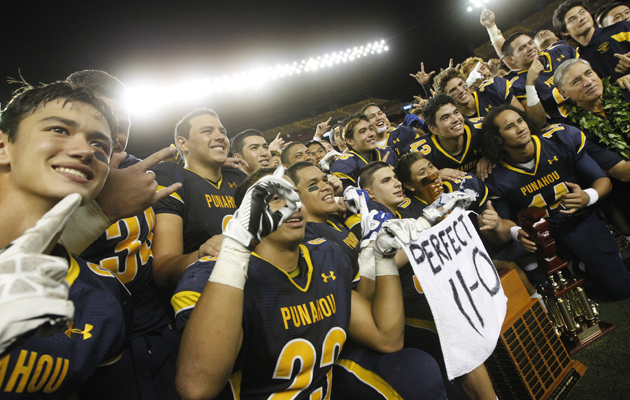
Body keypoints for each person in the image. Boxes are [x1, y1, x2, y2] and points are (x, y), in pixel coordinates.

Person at [172, 167, 446, 400]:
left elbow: (386, 338)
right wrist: (235, 249)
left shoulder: (325, 254)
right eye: (274, 197)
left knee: (415, 368)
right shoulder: (210, 275)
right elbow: (196, 388)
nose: (290, 204)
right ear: (247, 213)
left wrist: (383, 259)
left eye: (293, 194)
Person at [0, 81, 133, 397]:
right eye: (59, 130)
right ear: (4, 147)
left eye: (100, 144)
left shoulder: (106, 298)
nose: (86, 150)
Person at [65, 70, 181, 399]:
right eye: (104, 119)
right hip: (85, 341)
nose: (116, 135)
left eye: (124, 124)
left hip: (154, 331)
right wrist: (95, 212)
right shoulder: (49, 173)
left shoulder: (142, 169)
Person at [359, 161, 498, 400]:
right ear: (369, 193)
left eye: (395, 178)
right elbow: (370, 277)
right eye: (385, 181)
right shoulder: (366, 221)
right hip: (401, 314)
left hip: (428, 300)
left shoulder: (402, 212)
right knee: (459, 336)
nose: (396, 183)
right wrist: (426, 226)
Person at [481, 105, 630, 300]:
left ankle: (581, 262)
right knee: (543, 286)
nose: (520, 128)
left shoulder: (560, 140)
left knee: (619, 289)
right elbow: (504, 223)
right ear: (498, 139)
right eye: (510, 126)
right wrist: (518, 234)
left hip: (577, 220)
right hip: (538, 233)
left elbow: (603, 181)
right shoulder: (496, 176)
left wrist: (587, 196)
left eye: (520, 120)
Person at [152, 108, 246, 291]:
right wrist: (201, 255)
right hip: (203, 292)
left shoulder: (238, 178)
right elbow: (162, 270)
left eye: (223, 132)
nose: (220, 137)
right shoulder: (172, 178)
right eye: (207, 131)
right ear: (183, 143)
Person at [553, 0, 630, 93]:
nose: (581, 18)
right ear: (565, 31)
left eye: (582, 12)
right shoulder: (580, 62)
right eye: (572, 19)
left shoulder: (621, 28)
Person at [403, 95, 484, 182]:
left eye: (456, 112)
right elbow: (407, 185)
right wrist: (433, 176)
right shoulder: (419, 151)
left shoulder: (482, 127)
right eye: (445, 118)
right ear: (433, 129)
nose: (455, 119)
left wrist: (490, 156)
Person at [330, 113, 397, 189]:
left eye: (371, 129)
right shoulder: (343, 164)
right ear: (350, 141)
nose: (371, 134)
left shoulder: (387, 152)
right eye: (363, 131)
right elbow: (348, 199)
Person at [432, 67, 524, 120]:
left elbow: (524, 117)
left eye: (461, 84)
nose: (460, 90)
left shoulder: (493, 89)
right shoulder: (456, 120)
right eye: (453, 90)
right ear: (447, 98)